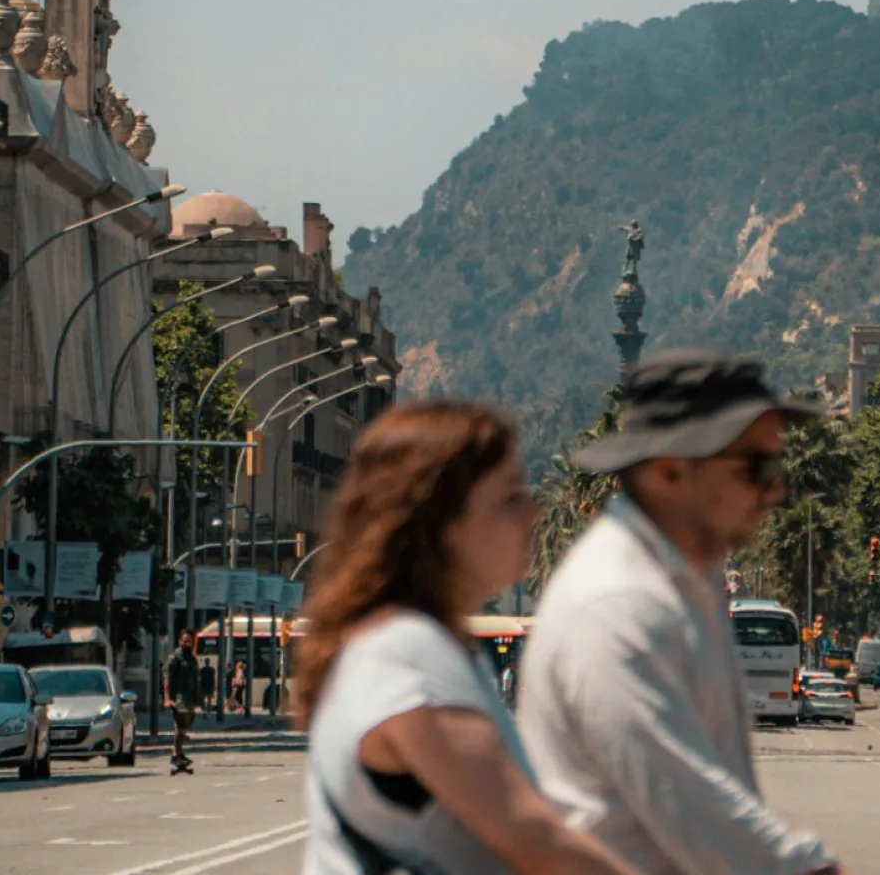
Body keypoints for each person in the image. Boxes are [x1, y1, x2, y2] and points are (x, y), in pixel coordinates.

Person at [520, 351, 841, 875]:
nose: (776, 489)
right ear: (668, 470)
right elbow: (693, 808)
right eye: (756, 467)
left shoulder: (691, 583)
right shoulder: (618, 602)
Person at [295, 400, 636, 875]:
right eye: (510, 498)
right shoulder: (407, 652)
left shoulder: (429, 644)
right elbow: (534, 839)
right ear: (442, 525)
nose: (534, 513)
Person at [162, 631, 200, 775]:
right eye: (185, 641)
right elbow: (166, 679)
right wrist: (167, 698)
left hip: (190, 698)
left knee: (186, 725)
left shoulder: (192, 659)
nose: (187, 644)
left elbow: (196, 679)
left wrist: (198, 698)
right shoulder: (174, 658)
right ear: (180, 641)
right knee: (180, 724)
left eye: (189, 641)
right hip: (178, 697)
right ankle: (175, 753)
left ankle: (179, 752)